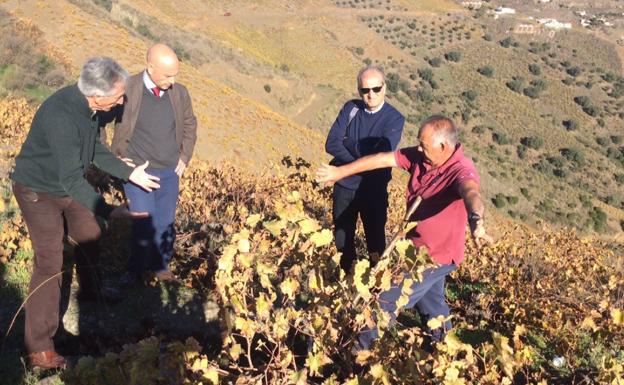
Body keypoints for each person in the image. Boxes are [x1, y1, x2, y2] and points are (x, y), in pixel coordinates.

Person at [11, 57, 161, 370]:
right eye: (119, 96)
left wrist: (127, 173)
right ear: (97, 96)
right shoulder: (62, 117)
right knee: (49, 261)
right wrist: (108, 210)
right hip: (38, 191)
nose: (122, 100)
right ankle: (38, 347)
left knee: (90, 234)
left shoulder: (88, 108)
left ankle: (92, 292)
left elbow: (92, 150)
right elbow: (71, 180)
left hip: (66, 186)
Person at [317, 115, 492, 348]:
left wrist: (476, 221)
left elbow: (471, 193)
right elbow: (381, 159)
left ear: (443, 147)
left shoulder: (460, 169)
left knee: (386, 299)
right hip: (414, 249)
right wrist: (340, 172)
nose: (418, 148)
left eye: (424, 145)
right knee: (433, 305)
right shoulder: (422, 158)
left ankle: (357, 353)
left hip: (436, 257)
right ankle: (445, 352)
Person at [111, 43, 197, 282]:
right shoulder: (128, 89)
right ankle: (135, 271)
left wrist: (185, 156)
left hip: (170, 170)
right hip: (139, 170)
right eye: (168, 75)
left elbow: (190, 124)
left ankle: (161, 269)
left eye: (175, 75)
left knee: (165, 223)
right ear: (151, 67)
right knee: (143, 221)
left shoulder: (180, 93)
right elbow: (102, 116)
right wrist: (114, 158)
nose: (172, 80)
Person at [325, 65, 404, 273]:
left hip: (373, 190)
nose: (370, 95)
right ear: (359, 90)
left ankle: (375, 289)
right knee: (342, 239)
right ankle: (346, 279)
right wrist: (365, 156)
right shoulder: (351, 108)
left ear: (384, 88)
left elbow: (381, 154)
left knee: (375, 242)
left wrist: (349, 143)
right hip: (345, 187)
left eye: (376, 89)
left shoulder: (395, 119)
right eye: (365, 90)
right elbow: (331, 143)